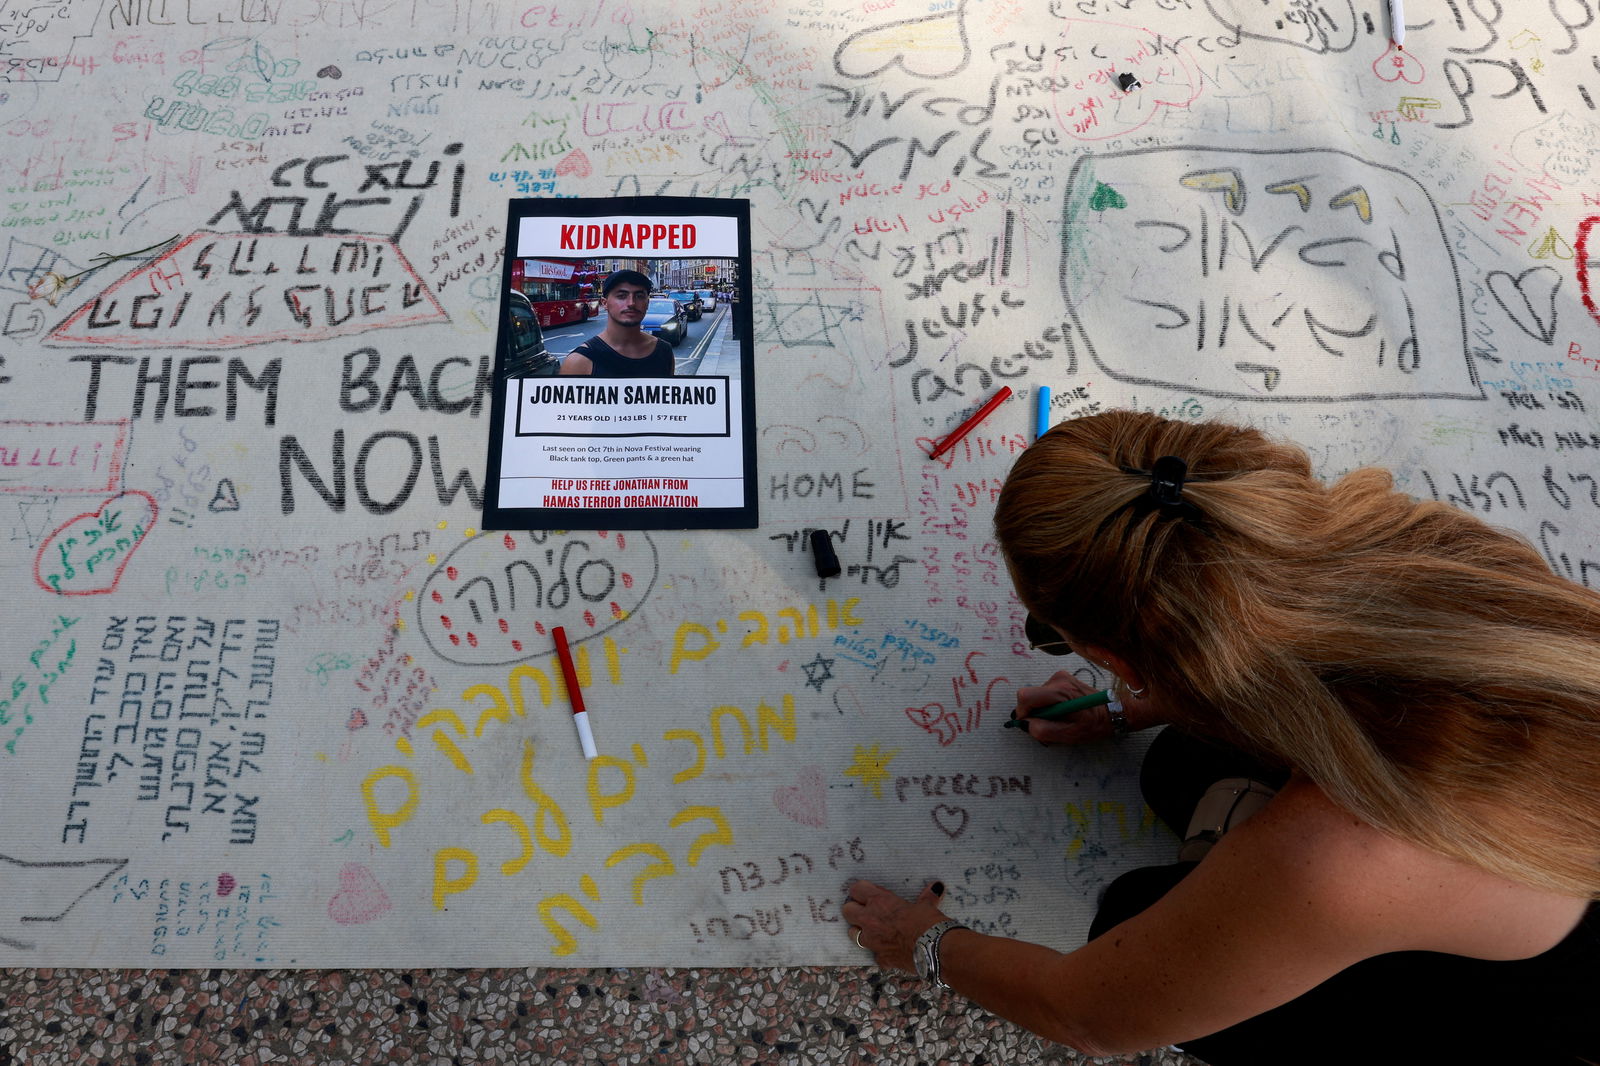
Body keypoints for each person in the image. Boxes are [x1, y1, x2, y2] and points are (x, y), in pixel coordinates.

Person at [843, 410, 1600, 1064]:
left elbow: (1087, 1016)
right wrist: (1131, 701)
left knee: (1133, 922)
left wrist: (925, 944)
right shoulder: (1425, 544)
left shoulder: (1346, 849)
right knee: (1177, 766)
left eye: (1054, 637)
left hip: (1558, 1005)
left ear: (1112, 655)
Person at [560, 269, 676, 378]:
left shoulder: (664, 351)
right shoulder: (578, 362)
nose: (631, 303)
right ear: (604, 303)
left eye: (639, 296)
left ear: (647, 303)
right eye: (621, 296)